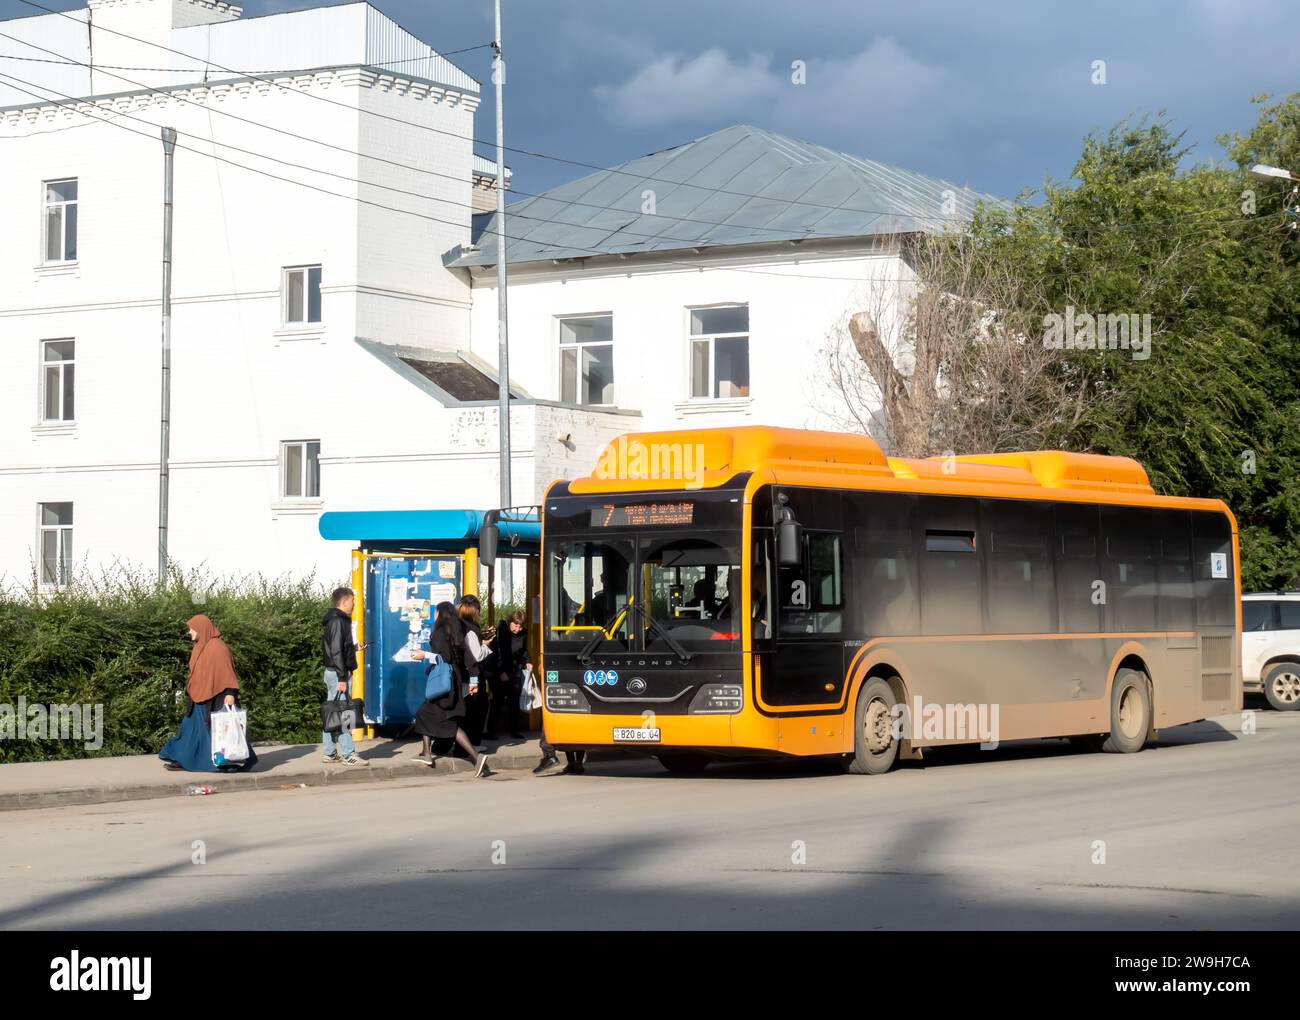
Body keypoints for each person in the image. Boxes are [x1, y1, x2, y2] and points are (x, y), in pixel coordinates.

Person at [160, 614, 258, 773]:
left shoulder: (218, 647)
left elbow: (227, 672)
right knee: (189, 731)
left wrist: (230, 693)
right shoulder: (200, 646)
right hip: (197, 698)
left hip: (217, 698)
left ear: (201, 628)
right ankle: (182, 759)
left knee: (220, 732)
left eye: (191, 629)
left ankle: (230, 761)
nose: (189, 632)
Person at [412, 601, 492, 777]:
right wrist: (473, 681)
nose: (434, 616)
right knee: (441, 720)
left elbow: (444, 657)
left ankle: (475, 757)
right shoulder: (457, 633)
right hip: (453, 682)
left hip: (444, 683)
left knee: (425, 715)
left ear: (440, 614)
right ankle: (428, 753)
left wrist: (424, 655)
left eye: (435, 612)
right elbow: (469, 659)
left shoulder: (440, 632)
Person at [321, 587, 369, 767]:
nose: (354, 604)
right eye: (352, 600)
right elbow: (336, 651)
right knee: (344, 713)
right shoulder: (337, 621)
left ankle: (329, 752)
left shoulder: (335, 620)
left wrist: (354, 648)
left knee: (333, 711)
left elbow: (339, 647)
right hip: (338, 673)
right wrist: (342, 677)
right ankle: (349, 754)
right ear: (344, 601)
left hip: (334, 671)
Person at [486, 610, 530, 740]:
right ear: (510, 622)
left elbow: (523, 651)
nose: (517, 629)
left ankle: (514, 731)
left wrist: (527, 661)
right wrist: (501, 672)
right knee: (497, 700)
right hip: (497, 670)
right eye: (515, 625)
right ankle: (490, 731)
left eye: (520, 626)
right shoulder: (502, 632)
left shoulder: (523, 634)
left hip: (511, 670)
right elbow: (496, 653)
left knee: (514, 700)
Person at [458, 596, 494, 750]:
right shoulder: (471, 629)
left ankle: (468, 744)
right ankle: (473, 744)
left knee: (469, 709)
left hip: (463, 674)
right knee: (476, 709)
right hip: (472, 675)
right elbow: (477, 654)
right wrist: (487, 645)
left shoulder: (459, 625)